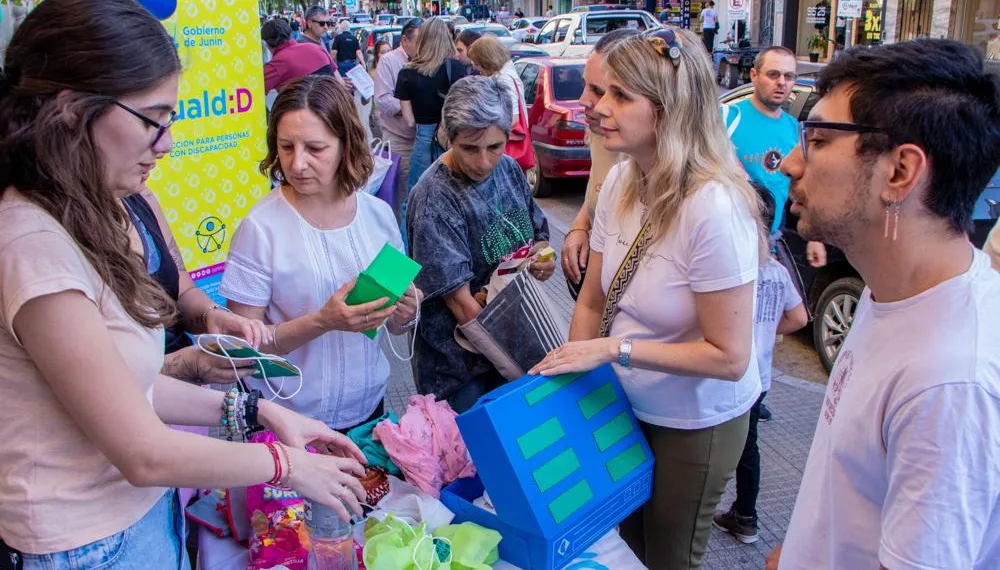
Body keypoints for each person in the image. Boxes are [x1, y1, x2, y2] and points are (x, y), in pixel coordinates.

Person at [0, 1, 369, 566]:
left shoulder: (98, 207)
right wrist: (288, 465)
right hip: (85, 545)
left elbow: (133, 387)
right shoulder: (34, 245)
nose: (167, 144)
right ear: (72, 110)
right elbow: (142, 452)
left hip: (141, 514)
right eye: (154, 119)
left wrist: (259, 414)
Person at [529, 29, 764, 570]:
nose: (597, 108)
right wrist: (573, 380)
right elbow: (592, 299)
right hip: (625, 406)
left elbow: (730, 358)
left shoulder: (715, 208)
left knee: (667, 558)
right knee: (625, 548)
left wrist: (613, 351)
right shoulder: (622, 181)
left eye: (619, 96)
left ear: (669, 109)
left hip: (695, 422)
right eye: (600, 92)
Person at [766, 39, 1000, 570]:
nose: (792, 164)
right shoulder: (894, 289)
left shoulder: (950, 380)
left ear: (900, 172)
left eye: (820, 140)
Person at [221, 75, 422, 433]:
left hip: (369, 414)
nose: (297, 164)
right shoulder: (260, 228)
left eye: (314, 149)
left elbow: (393, 324)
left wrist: (405, 312)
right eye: (286, 147)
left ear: (346, 145)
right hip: (287, 424)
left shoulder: (379, 216)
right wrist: (322, 321)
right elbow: (242, 351)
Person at [407, 76, 554, 413]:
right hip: (461, 373)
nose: (484, 162)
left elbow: (539, 236)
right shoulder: (435, 197)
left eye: (494, 147)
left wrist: (543, 259)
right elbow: (461, 306)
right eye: (469, 148)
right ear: (447, 136)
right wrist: (526, 363)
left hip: (514, 346)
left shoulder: (509, 170)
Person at [712, 185, 807, 545]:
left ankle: (722, 511)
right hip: (760, 377)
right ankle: (746, 514)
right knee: (748, 447)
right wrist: (767, 332)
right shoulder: (777, 271)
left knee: (724, 442)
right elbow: (799, 318)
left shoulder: (731, 269)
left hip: (725, 372)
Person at [725, 45, 828, 272]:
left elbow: (804, 185)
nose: (782, 82)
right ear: (754, 75)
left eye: (789, 76)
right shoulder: (727, 118)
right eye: (773, 74)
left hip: (770, 247)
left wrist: (815, 236)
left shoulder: (794, 130)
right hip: (728, 247)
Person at [561, 29, 636, 299]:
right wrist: (580, 226)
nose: (583, 100)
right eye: (585, 85)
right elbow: (598, 188)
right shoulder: (599, 132)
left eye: (599, 90)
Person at [395, 17, 468, 192]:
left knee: (416, 195)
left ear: (423, 39)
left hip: (423, 139)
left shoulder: (406, 73)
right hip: (452, 138)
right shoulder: (456, 68)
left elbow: (409, 121)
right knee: (454, 195)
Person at [375, 17, 421, 219]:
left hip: (423, 138)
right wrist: (410, 108)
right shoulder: (389, 61)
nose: (423, 47)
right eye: (419, 41)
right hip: (400, 138)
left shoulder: (426, 61)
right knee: (403, 194)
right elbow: (383, 100)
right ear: (405, 40)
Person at [262, 18, 336, 93]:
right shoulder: (316, 48)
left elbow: (253, 91)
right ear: (289, 33)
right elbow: (339, 80)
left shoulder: (276, 65)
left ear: (266, 43)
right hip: (334, 99)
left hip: (308, 103)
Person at [467, 35, 524, 131]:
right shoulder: (506, 74)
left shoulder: (504, 79)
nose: (475, 68)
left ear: (487, 60)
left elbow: (513, 119)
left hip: (505, 141)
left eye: (477, 63)